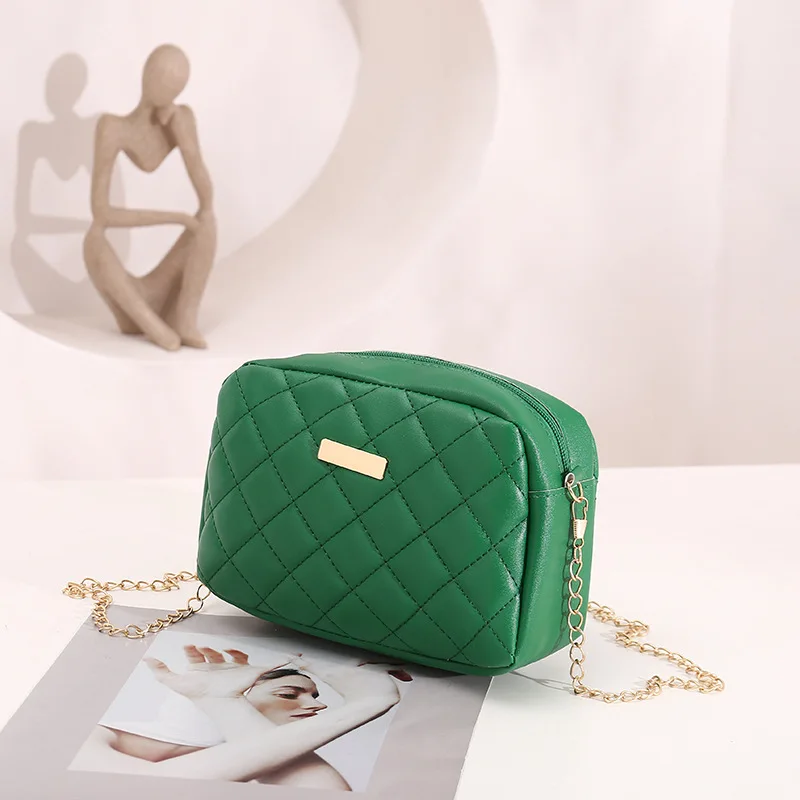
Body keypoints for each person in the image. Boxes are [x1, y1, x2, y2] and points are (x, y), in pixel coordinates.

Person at [73, 644, 411, 789]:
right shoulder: (88, 734)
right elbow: (145, 788)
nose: (317, 707)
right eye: (288, 694)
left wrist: (225, 702)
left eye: (314, 695)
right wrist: (366, 704)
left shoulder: (242, 754)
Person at [83, 44, 216, 350]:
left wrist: (185, 141)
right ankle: (151, 325)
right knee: (93, 239)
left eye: (176, 86)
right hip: (128, 301)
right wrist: (175, 217)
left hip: (158, 288)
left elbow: (207, 200)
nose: (168, 91)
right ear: (146, 76)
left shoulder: (181, 120)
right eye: (162, 80)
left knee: (208, 220)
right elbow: (101, 213)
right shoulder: (112, 127)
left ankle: (185, 319)